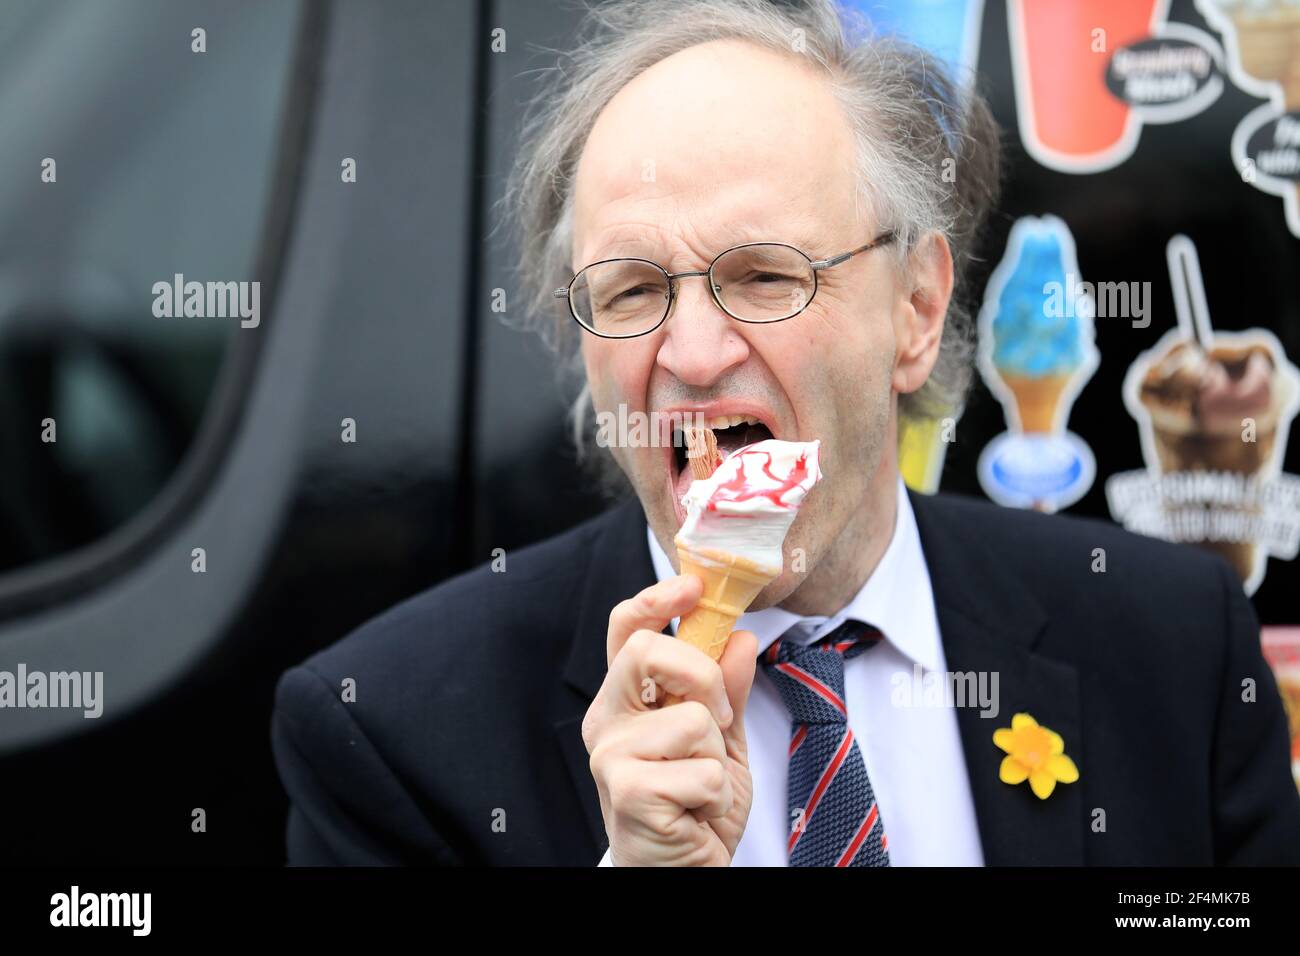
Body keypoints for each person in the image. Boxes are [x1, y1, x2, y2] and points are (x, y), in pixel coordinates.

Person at [270, 0, 1300, 866]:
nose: (694, 349)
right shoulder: (393, 733)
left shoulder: (1170, 647)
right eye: (630, 289)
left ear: (915, 309)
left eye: (764, 275)